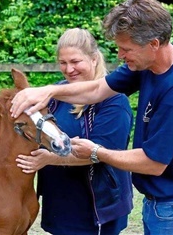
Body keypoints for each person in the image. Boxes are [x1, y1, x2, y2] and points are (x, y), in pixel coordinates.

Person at [10, 0, 173, 235]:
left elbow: (154, 163)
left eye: (126, 49)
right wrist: (50, 90)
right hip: (161, 201)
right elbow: (98, 89)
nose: (119, 55)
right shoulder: (149, 65)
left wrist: (96, 152)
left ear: (154, 44)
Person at [16, 28, 134, 235]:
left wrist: (48, 159)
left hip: (97, 206)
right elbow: (38, 130)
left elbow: (102, 153)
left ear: (94, 59)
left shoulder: (115, 101)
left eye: (75, 61)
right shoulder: (56, 94)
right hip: (60, 201)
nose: (69, 69)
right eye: (63, 63)